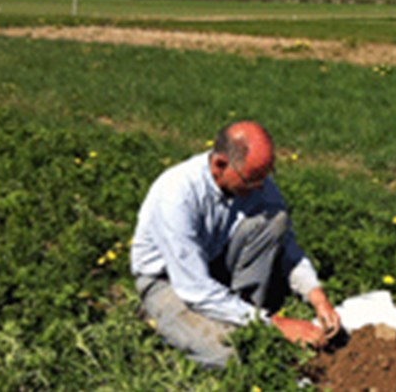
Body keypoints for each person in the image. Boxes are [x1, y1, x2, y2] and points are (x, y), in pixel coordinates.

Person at [130, 120, 340, 368]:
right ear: (220, 164)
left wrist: (317, 296)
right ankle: (159, 314)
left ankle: (242, 312)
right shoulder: (177, 195)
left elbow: (287, 245)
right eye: (252, 179)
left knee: (274, 219)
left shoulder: (255, 182)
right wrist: (276, 324)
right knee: (232, 353)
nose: (260, 186)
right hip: (170, 281)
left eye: (266, 175)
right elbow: (193, 288)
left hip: (212, 261)